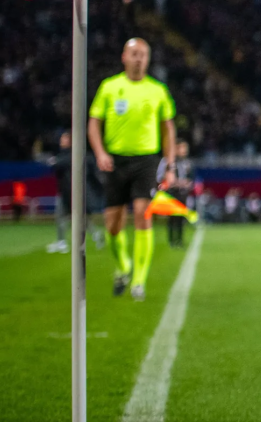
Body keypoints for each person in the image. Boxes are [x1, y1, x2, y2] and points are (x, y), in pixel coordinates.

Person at [88, 38, 177, 302]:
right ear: (124, 57)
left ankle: (139, 280)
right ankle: (123, 266)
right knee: (113, 224)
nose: (139, 58)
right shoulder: (110, 87)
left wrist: (169, 165)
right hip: (115, 161)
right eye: (134, 53)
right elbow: (94, 124)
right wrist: (101, 153)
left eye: (144, 54)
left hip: (146, 161)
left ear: (148, 59)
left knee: (142, 214)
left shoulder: (158, 90)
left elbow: (168, 130)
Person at [47, 131, 105, 254]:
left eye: (64, 139)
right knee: (80, 219)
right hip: (71, 192)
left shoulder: (68, 157)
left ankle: (62, 242)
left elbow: (56, 166)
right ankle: (97, 235)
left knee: (63, 216)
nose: (61, 141)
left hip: (69, 193)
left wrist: (53, 162)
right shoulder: (75, 155)